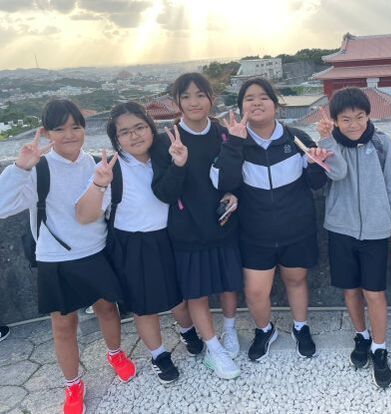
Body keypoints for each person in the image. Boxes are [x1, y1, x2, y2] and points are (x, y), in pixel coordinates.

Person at [0, 99, 135, 414]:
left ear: (85, 129)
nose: (70, 134)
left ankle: (115, 353)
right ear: (47, 133)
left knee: (107, 309)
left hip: (95, 250)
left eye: (76, 127)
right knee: (63, 323)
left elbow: (102, 210)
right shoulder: (39, 169)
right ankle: (73, 384)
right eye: (59, 129)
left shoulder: (96, 164)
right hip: (55, 256)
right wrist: (20, 168)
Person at [76, 102, 199, 384]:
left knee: (180, 297)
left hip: (168, 237)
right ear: (116, 138)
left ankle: (188, 331)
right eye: (125, 132)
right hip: (133, 244)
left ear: (151, 128)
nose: (134, 136)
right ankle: (158, 354)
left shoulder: (163, 156)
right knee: (144, 306)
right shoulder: (111, 169)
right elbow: (85, 216)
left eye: (140, 127)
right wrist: (99, 184)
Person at [211, 77, 326, 361]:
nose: (257, 103)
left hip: (296, 229)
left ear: (275, 105)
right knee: (255, 291)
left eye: (264, 97)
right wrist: (234, 144)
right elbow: (223, 182)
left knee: (296, 280)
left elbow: (316, 182)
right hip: (255, 233)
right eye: (249, 98)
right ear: (241, 107)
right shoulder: (234, 142)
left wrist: (316, 164)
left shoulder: (296, 139)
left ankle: (301, 327)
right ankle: (265, 330)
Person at [316, 88, 391, 388]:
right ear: (335, 120)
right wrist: (327, 141)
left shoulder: (382, 143)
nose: (354, 124)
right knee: (350, 290)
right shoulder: (329, 144)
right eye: (346, 119)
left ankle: (379, 347)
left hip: (375, 231)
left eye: (359, 117)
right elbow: (337, 174)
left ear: (368, 116)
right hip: (341, 229)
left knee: (374, 293)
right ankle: (361, 335)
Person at [152, 73, 242, 380]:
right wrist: (178, 165)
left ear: (211, 99)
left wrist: (234, 195)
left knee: (229, 284)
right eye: (186, 96)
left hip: (222, 223)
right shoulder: (165, 140)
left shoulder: (224, 134)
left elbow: (234, 178)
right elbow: (163, 192)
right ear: (176, 102)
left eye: (200, 95)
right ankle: (213, 348)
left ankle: (230, 330)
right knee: (197, 292)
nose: (194, 102)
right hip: (187, 230)